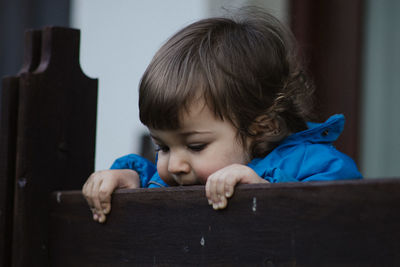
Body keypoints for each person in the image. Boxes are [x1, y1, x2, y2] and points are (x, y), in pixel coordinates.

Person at [82, 8, 362, 223]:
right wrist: (127, 177)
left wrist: (266, 192)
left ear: (261, 128)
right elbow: (150, 178)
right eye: (162, 147)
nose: (175, 165)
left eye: (195, 146)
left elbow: (344, 210)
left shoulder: (311, 165)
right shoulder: (168, 178)